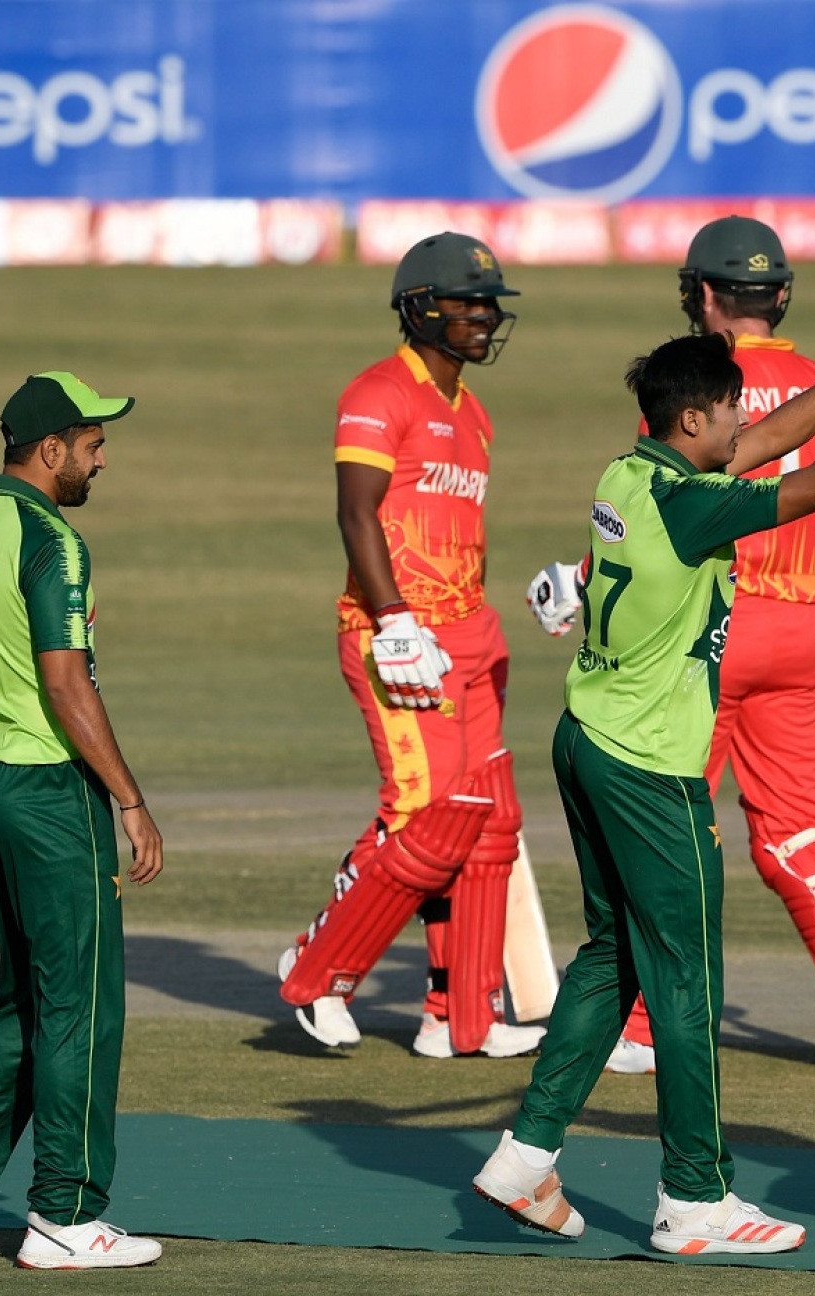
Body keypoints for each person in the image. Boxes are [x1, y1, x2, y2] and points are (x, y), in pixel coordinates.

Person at [474, 282, 815, 1256]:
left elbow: (773, 443)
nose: (745, 420)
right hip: (650, 768)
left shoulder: (628, 474)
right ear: (692, 420)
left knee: (614, 954)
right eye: (731, 408)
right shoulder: (692, 509)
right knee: (686, 981)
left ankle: (523, 1157)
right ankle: (694, 1200)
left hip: (586, 739)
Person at [529, 217, 815, 1076]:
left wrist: (582, 580)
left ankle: (639, 1026)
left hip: (701, 638)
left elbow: (658, 515)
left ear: (702, 293)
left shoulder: (694, 394)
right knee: (801, 827)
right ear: (779, 294)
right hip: (801, 636)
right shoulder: (813, 383)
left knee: (668, 825)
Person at [0, 372, 164, 1270]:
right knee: (81, 1003)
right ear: (51, 450)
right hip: (49, 791)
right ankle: (65, 1216)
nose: (101, 460)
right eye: (92, 445)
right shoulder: (53, 540)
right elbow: (65, 682)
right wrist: (129, 798)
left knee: (30, 995)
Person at [277, 231, 545, 1060]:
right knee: (422, 812)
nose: (483, 316)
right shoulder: (379, 392)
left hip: (469, 632)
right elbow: (355, 512)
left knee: (485, 820)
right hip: (395, 633)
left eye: (489, 304)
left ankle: (460, 1015)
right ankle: (317, 970)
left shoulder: (476, 414)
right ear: (421, 307)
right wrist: (394, 618)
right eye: (467, 302)